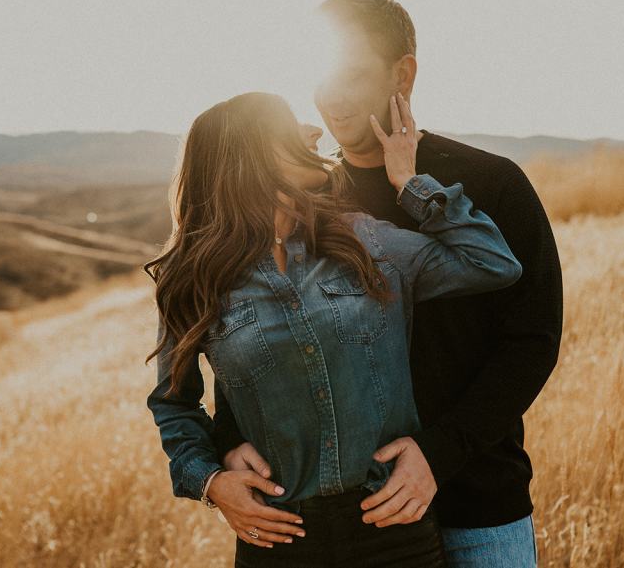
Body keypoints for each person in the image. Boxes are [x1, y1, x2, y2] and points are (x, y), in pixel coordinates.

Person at [210, 0, 563, 567]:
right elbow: (249, 344)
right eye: (322, 76)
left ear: (404, 73)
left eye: (351, 74)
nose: (332, 97)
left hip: (476, 507)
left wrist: (437, 456)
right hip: (356, 530)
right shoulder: (303, 201)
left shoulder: (491, 183)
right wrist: (225, 450)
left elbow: (532, 342)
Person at [145, 90, 523, 567]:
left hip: (394, 532)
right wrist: (211, 482)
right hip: (277, 541)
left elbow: (492, 263)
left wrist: (410, 183)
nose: (314, 131)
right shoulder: (190, 281)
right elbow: (172, 403)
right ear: (249, 156)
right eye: (289, 125)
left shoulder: (363, 240)